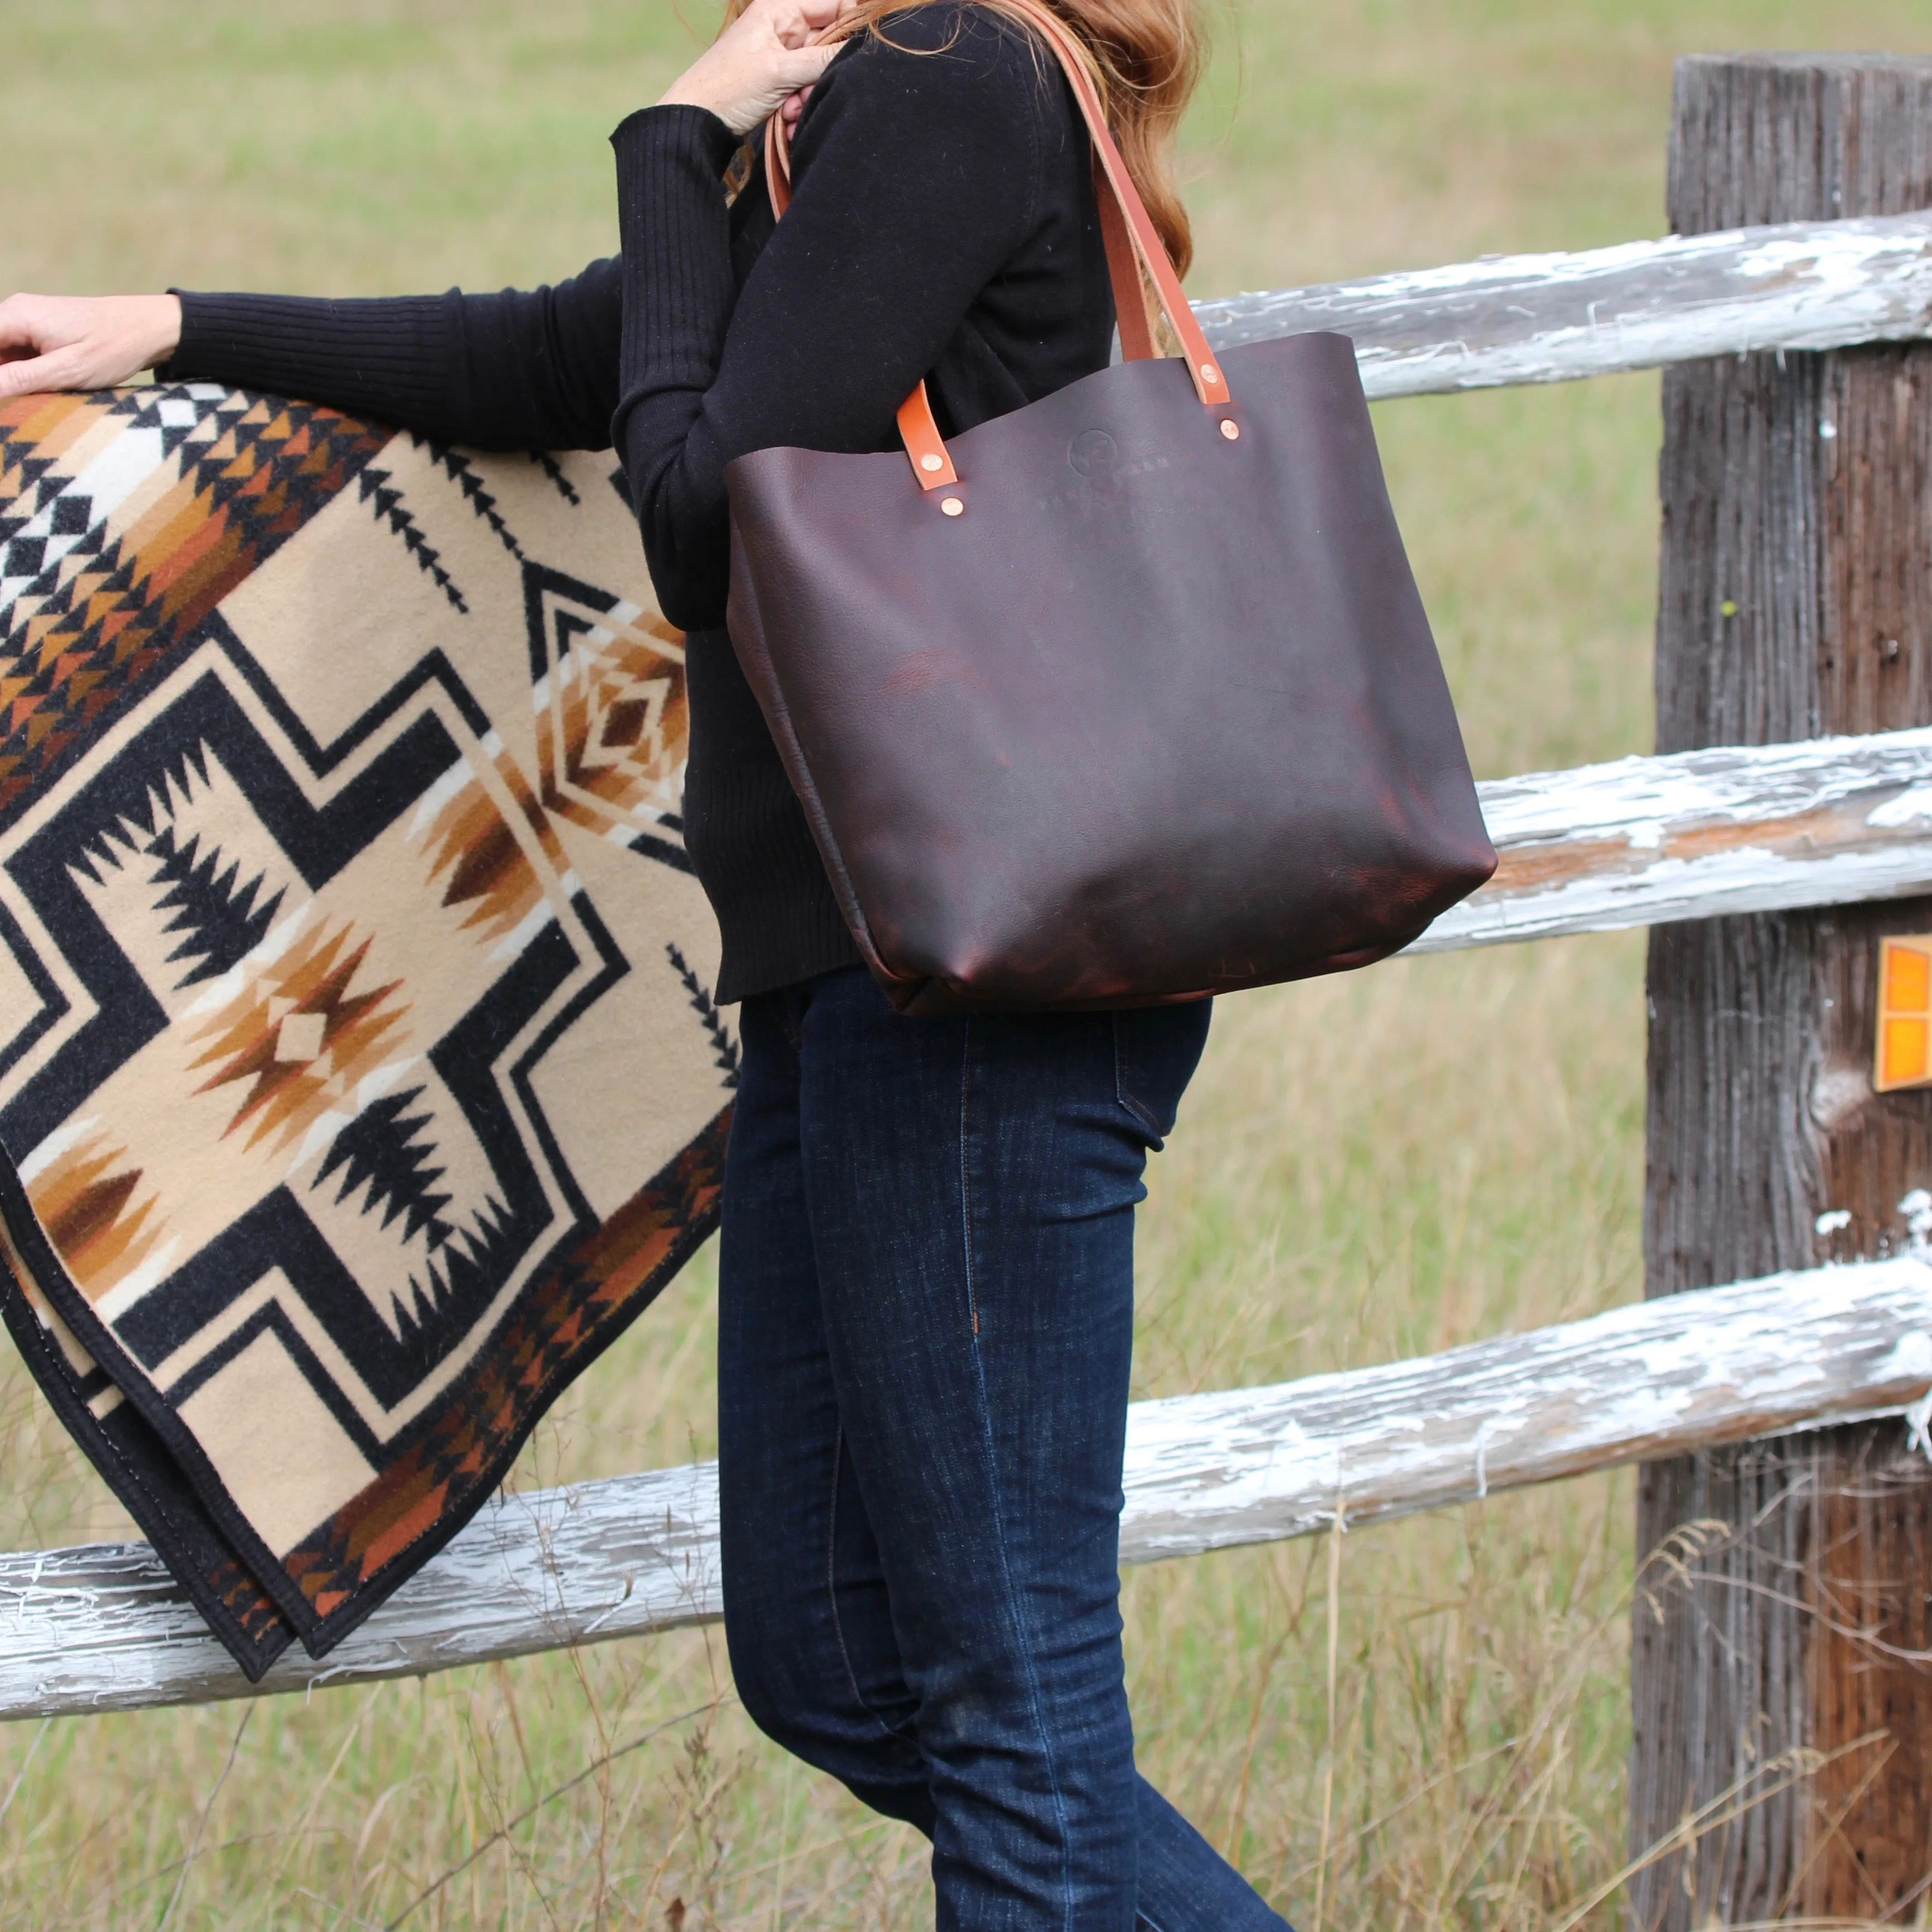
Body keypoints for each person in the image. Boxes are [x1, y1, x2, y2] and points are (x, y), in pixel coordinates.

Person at [0, 2, 1292, 1924]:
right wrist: (171, 329)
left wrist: (667, 128)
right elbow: (564, 355)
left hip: (975, 991)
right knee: (832, 1659)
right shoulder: (862, 110)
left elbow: (705, 504)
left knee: (1015, 1717)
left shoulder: (951, 82)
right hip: (858, 975)